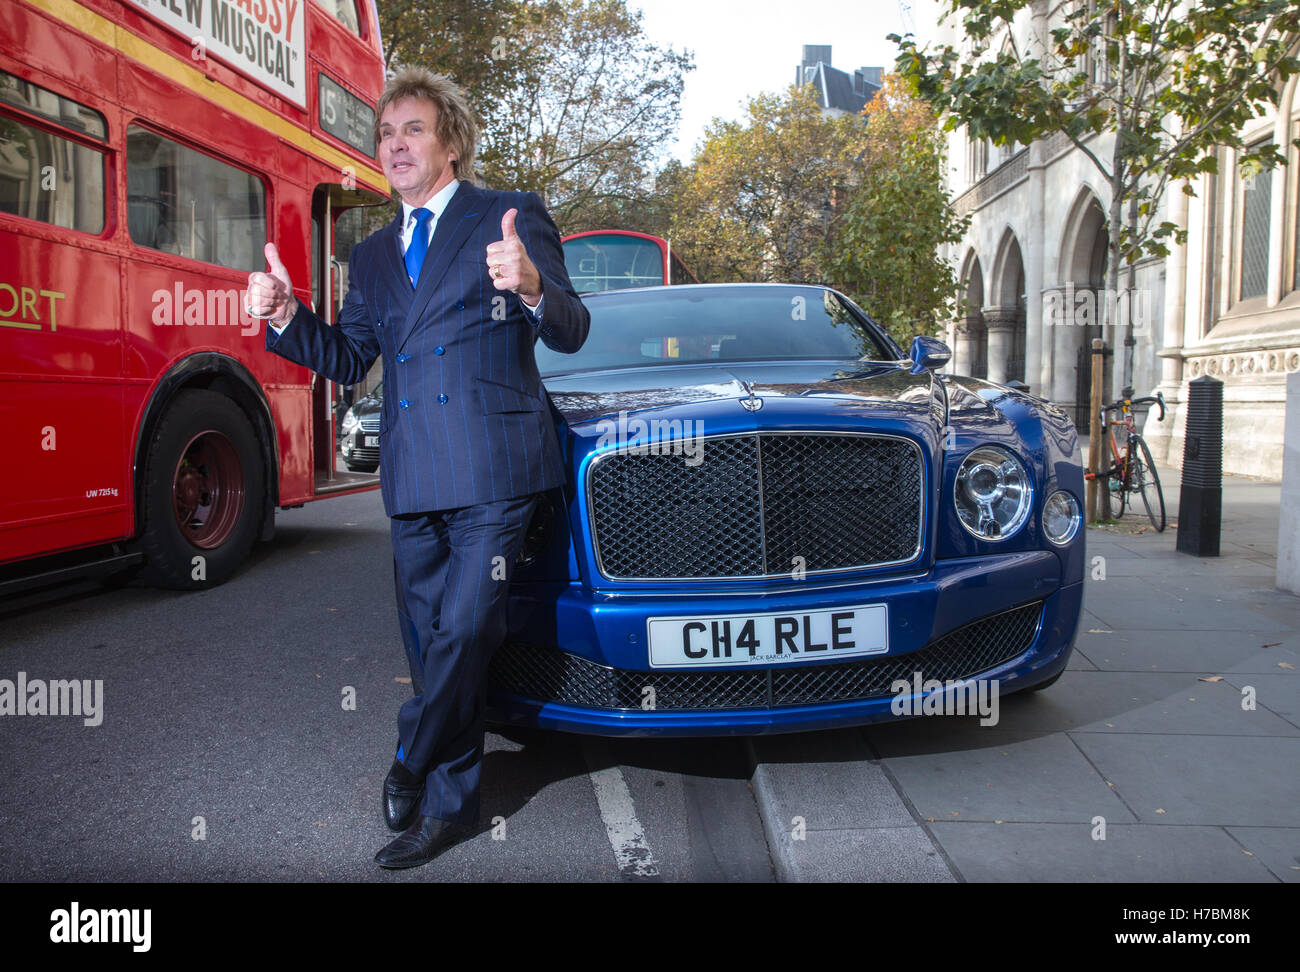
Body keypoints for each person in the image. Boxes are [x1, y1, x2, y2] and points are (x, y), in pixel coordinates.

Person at [244, 67, 589, 869]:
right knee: (432, 643)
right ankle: (450, 806)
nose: (396, 145)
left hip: (497, 469)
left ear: (453, 142)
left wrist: (534, 287)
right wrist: (287, 315)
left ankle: (410, 756)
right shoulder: (370, 256)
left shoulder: (507, 217)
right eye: (386, 133)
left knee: (467, 629)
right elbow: (349, 356)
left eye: (414, 130)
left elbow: (571, 329)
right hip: (414, 476)